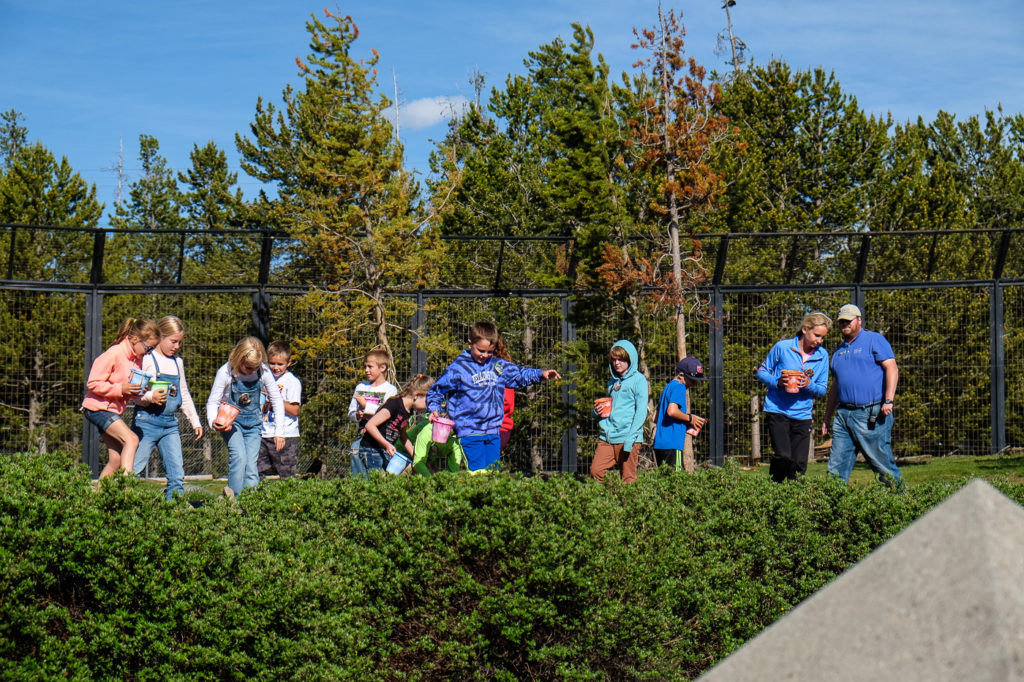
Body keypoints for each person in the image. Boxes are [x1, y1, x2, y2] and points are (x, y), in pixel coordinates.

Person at [426, 321, 561, 473]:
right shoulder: (458, 368)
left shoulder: (498, 366)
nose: (484, 355)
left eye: (489, 352)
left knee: (492, 474)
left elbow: (519, 374)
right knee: (477, 473)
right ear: (470, 343)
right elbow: (436, 390)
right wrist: (434, 408)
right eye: (480, 350)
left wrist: (540, 374)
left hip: (493, 430)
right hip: (469, 430)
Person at [822, 304, 902, 487]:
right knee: (836, 467)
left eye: (848, 321)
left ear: (859, 320)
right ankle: (833, 507)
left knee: (881, 464)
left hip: (871, 413)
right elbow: (836, 386)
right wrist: (827, 417)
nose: (845, 325)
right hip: (843, 416)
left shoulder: (874, 340)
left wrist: (889, 400)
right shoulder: (839, 350)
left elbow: (892, 368)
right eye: (842, 321)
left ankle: (900, 502)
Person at [131, 315, 204, 499]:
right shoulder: (147, 359)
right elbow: (135, 393)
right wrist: (150, 396)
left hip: (170, 425)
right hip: (146, 422)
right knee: (133, 470)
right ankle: (119, 507)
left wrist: (195, 420)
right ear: (161, 337)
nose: (176, 347)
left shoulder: (177, 362)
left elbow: (183, 392)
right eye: (173, 342)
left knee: (177, 475)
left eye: (179, 342)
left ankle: (174, 512)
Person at [756, 312, 831, 483]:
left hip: (802, 414)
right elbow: (761, 372)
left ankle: (794, 499)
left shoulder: (822, 356)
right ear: (805, 329)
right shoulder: (783, 347)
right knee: (783, 455)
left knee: (799, 464)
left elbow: (821, 389)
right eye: (817, 336)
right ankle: (775, 486)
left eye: (822, 338)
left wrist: (808, 384)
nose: (819, 341)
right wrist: (777, 382)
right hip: (777, 409)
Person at [82, 317, 161, 479]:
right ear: (134, 339)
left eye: (152, 349)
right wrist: (121, 388)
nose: (149, 353)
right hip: (97, 408)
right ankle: (127, 489)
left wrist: (137, 390)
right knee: (131, 440)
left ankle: (96, 497)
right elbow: (93, 383)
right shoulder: (115, 353)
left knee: (116, 458)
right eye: (148, 348)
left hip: (110, 410)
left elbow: (127, 387)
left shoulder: (137, 359)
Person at [207, 337, 285, 498]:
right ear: (238, 358)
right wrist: (213, 421)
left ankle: (249, 503)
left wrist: (279, 431)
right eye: (248, 367)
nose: (250, 371)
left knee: (251, 466)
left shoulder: (263, 372)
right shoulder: (226, 372)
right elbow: (213, 401)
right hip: (232, 423)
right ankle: (233, 500)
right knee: (239, 457)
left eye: (254, 368)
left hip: (254, 425)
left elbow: (277, 400)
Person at [591, 339, 649, 484]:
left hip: (628, 437)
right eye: (614, 359)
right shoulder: (613, 382)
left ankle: (628, 505)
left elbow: (641, 412)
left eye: (621, 359)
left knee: (628, 479)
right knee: (595, 471)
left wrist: (631, 437)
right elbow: (609, 408)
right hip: (608, 437)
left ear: (630, 360)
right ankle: (609, 502)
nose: (617, 363)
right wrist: (596, 412)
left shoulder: (639, 380)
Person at [357, 374, 434, 474]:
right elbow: (370, 425)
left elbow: (402, 435)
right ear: (417, 395)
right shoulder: (395, 405)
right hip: (372, 450)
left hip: (384, 450)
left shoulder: (408, 411)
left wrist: (415, 456)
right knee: (377, 485)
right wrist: (387, 444)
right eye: (427, 401)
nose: (428, 406)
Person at [652, 356, 708, 473]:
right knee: (676, 483)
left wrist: (682, 423)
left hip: (660, 444)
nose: (694, 384)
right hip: (672, 443)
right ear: (681, 375)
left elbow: (655, 417)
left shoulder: (667, 387)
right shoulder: (679, 387)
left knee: (664, 481)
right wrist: (690, 419)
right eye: (692, 380)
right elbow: (672, 411)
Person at [348, 348, 399, 476]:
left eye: (370, 367)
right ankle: (359, 483)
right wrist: (358, 415)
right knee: (355, 450)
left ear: (382, 368)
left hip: (381, 436)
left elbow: (387, 412)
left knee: (378, 467)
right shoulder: (361, 387)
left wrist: (366, 407)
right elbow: (351, 412)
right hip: (363, 434)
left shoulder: (390, 390)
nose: (366, 370)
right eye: (365, 366)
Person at [257, 340, 302, 480]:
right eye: (272, 363)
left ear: (288, 363)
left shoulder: (292, 381)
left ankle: (289, 500)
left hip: (286, 434)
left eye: (280, 364)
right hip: (264, 432)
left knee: (286, 473)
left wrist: (275, 399)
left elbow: (294, 410)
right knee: (257, 470)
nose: (275, 367)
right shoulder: (264, 379)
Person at [493, 333, 516, 452]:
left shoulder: (501, 370)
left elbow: (507, 402)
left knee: (485, 467)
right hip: (478, 429)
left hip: (498, 429)